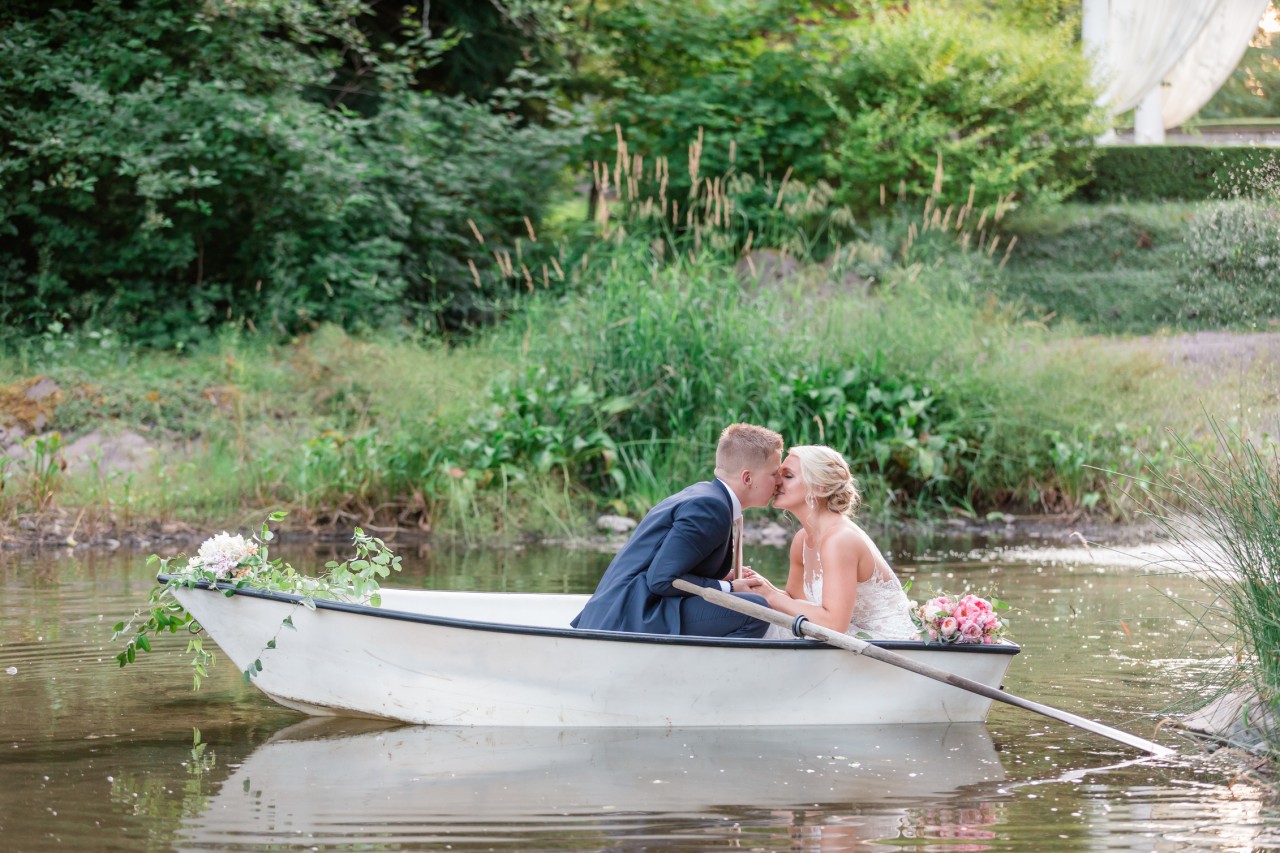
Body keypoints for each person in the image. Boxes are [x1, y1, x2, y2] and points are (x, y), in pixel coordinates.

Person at [570, 423, 783, 637]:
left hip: (619, 611)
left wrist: (724, 578)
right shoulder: (711, 507)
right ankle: (711, 670)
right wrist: (730, 588)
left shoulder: (706, 495)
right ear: (747, 478)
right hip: (631, 617)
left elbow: (668, 567)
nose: (779, 481)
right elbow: (661, 579)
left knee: (750, 604)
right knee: (755, 610)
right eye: (774, 473)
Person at [743, 445, 918, 640]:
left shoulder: (840, 540)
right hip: (846, 635)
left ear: (821, 487)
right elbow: (796, 603)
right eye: (778, 474)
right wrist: (761, 586)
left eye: (788, 476)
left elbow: (834, 624)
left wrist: (771, 596)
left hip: (887, 642)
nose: (776, 482)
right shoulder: (801, 540)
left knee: (775, 629)